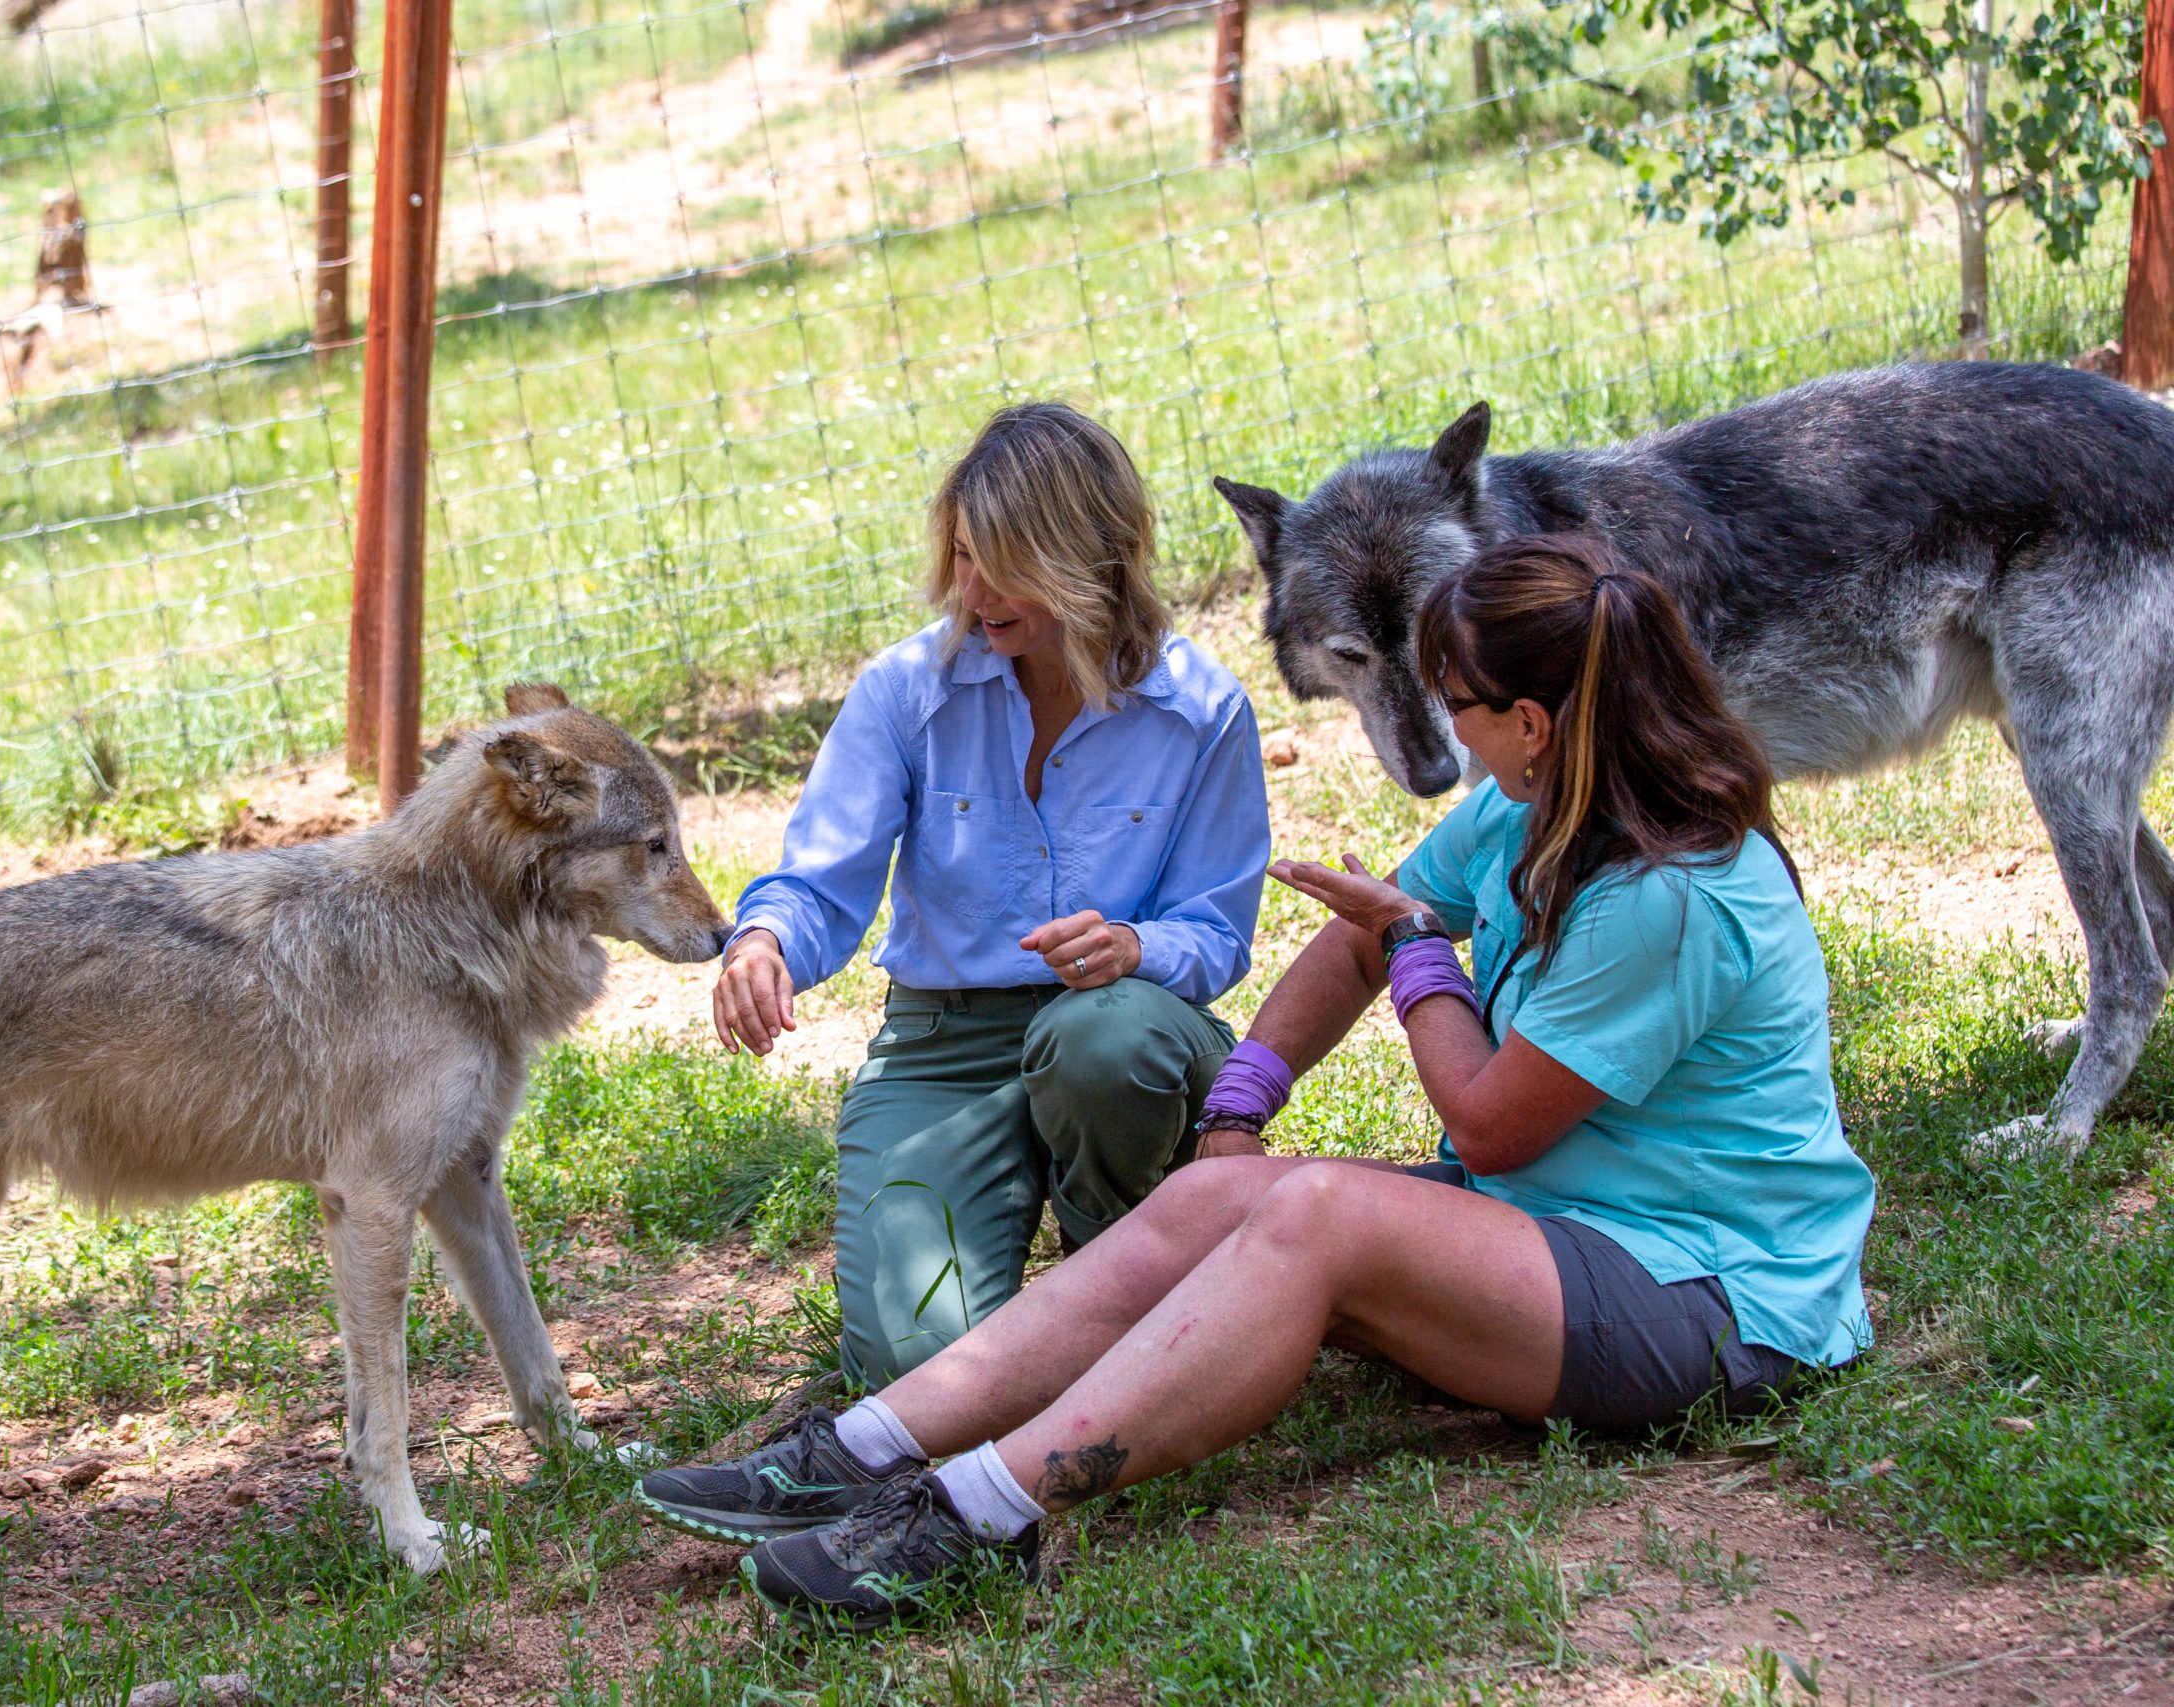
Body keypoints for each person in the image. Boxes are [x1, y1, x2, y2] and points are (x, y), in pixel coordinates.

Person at [642, 533, 1875, 1630]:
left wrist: (1417, 954)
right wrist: (1239, 1107)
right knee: (1213, 1199)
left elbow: (1487, 1121)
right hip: (1564, 1241)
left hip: (1711, 1297)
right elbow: (1354, 934)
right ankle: (854, 1451)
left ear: (1534, 722)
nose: (1447, 731)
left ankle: (974, 1515)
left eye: (1459, 707)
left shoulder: (1669, 895)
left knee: (1316, 1213)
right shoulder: (1532, 808)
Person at [711, 401, 1270, 1391]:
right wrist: (764, 941)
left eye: (1007, 562)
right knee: (916, 1368)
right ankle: (1027, 1298)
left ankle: (1119, 1264)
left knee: (1106, 1043)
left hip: (1117, 1034)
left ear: (1094, 556)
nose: (975, 589)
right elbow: (820, 875)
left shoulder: (1204, 711)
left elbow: (1216, 932)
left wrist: (1137, 951)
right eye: (964, 554)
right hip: (946, 1048)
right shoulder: (905, 690)